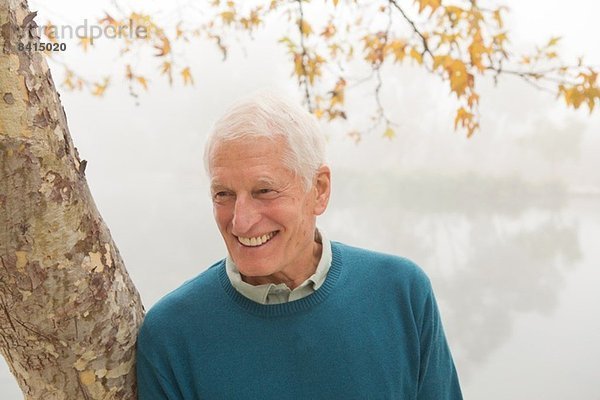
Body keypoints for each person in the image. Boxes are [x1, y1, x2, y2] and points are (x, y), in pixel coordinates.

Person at [136, 91, 463, 399]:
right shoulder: (172, 334)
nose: (241, 221)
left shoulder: (401, 293)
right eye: (224, 194)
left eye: (264, 191)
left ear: (319, 189)